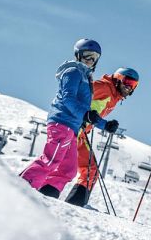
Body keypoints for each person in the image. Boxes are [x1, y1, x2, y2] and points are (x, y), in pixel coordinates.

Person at [20, 39, 101, 198]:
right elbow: (68, 98)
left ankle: (47, 193)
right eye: (87, 56)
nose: (90, 60)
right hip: (62, 123)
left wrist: (106, 124)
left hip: (72, 128)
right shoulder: (73, 72)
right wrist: (84, 114)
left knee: (69, 169)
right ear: (78, 55)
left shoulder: (85, 78)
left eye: (94, 57)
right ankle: (20, 188)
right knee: (50, 160)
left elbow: (85, 110)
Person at [64, 67, 138, 206]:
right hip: (71, 131)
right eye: (127, 81)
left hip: (81, 135)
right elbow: (75, 98)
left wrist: (105, 125)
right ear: (117, 79)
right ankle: (27, 192)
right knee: (62, 168)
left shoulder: (114, 96)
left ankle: (74, 206)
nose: (129, 87)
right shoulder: (103, 87)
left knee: (91, 171)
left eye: (133, 85)